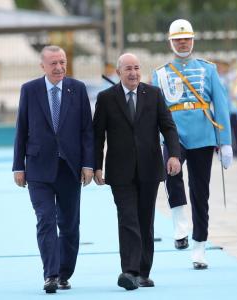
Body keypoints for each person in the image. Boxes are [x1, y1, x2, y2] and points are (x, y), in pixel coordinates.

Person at [93, 53, 181, 290]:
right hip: (119, 171)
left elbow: (169, 127)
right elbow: (98, 136)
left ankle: (143, 271)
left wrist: (174, 155)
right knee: (128, 218)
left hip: (150, 168)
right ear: (118, 72)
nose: (133, 73)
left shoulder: (153, 94)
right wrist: (96, 165)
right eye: (128, 69)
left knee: (145, 220)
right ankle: (129, 271)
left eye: (137, 68)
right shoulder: (106, 98)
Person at [152, 19, 233, 270]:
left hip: (202, 134)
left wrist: (226, 142)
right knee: (171, 176)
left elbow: (220, 105)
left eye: (186, 38)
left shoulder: (208, 69)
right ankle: (179, 224)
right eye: (178, 39)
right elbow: (155, 111)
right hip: (173, 133)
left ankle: (199, 246)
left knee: (200, 192)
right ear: (171, 42)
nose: (183, 42)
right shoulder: (160, 73)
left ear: (193, 40)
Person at [12, 45, 94, 293]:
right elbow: (21, 129)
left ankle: (64, 273)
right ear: (43, 66)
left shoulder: (77, 89)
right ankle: (51, 274)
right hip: (38, 169)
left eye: (62, 62)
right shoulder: (30, 90)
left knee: (69, 225)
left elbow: (87, 130)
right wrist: (18, 166)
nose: (59, 67)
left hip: (70, 168)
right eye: (53, 63)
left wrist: (88, 164)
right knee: (46, 220)